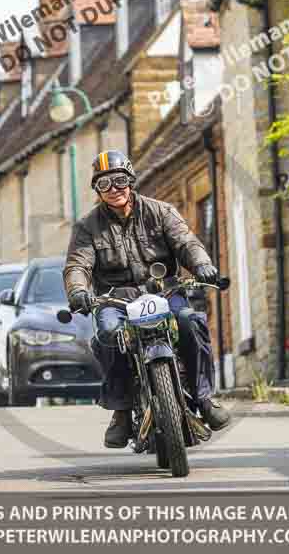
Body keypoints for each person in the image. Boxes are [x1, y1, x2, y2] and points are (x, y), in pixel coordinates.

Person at [63, 149, 230, 448]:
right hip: (116, 300)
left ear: (131, 180)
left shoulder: (160, 211)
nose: (114, 189)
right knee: (108, 335)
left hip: (163, 291)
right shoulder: (87, 227)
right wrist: (78, 291)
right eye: (104, 184)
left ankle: (204, 398)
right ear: (96, 190)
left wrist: (202, 264)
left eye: (119, 181)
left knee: (191, 321)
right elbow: (78, 264)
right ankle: (122, 409)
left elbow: (186, 241)